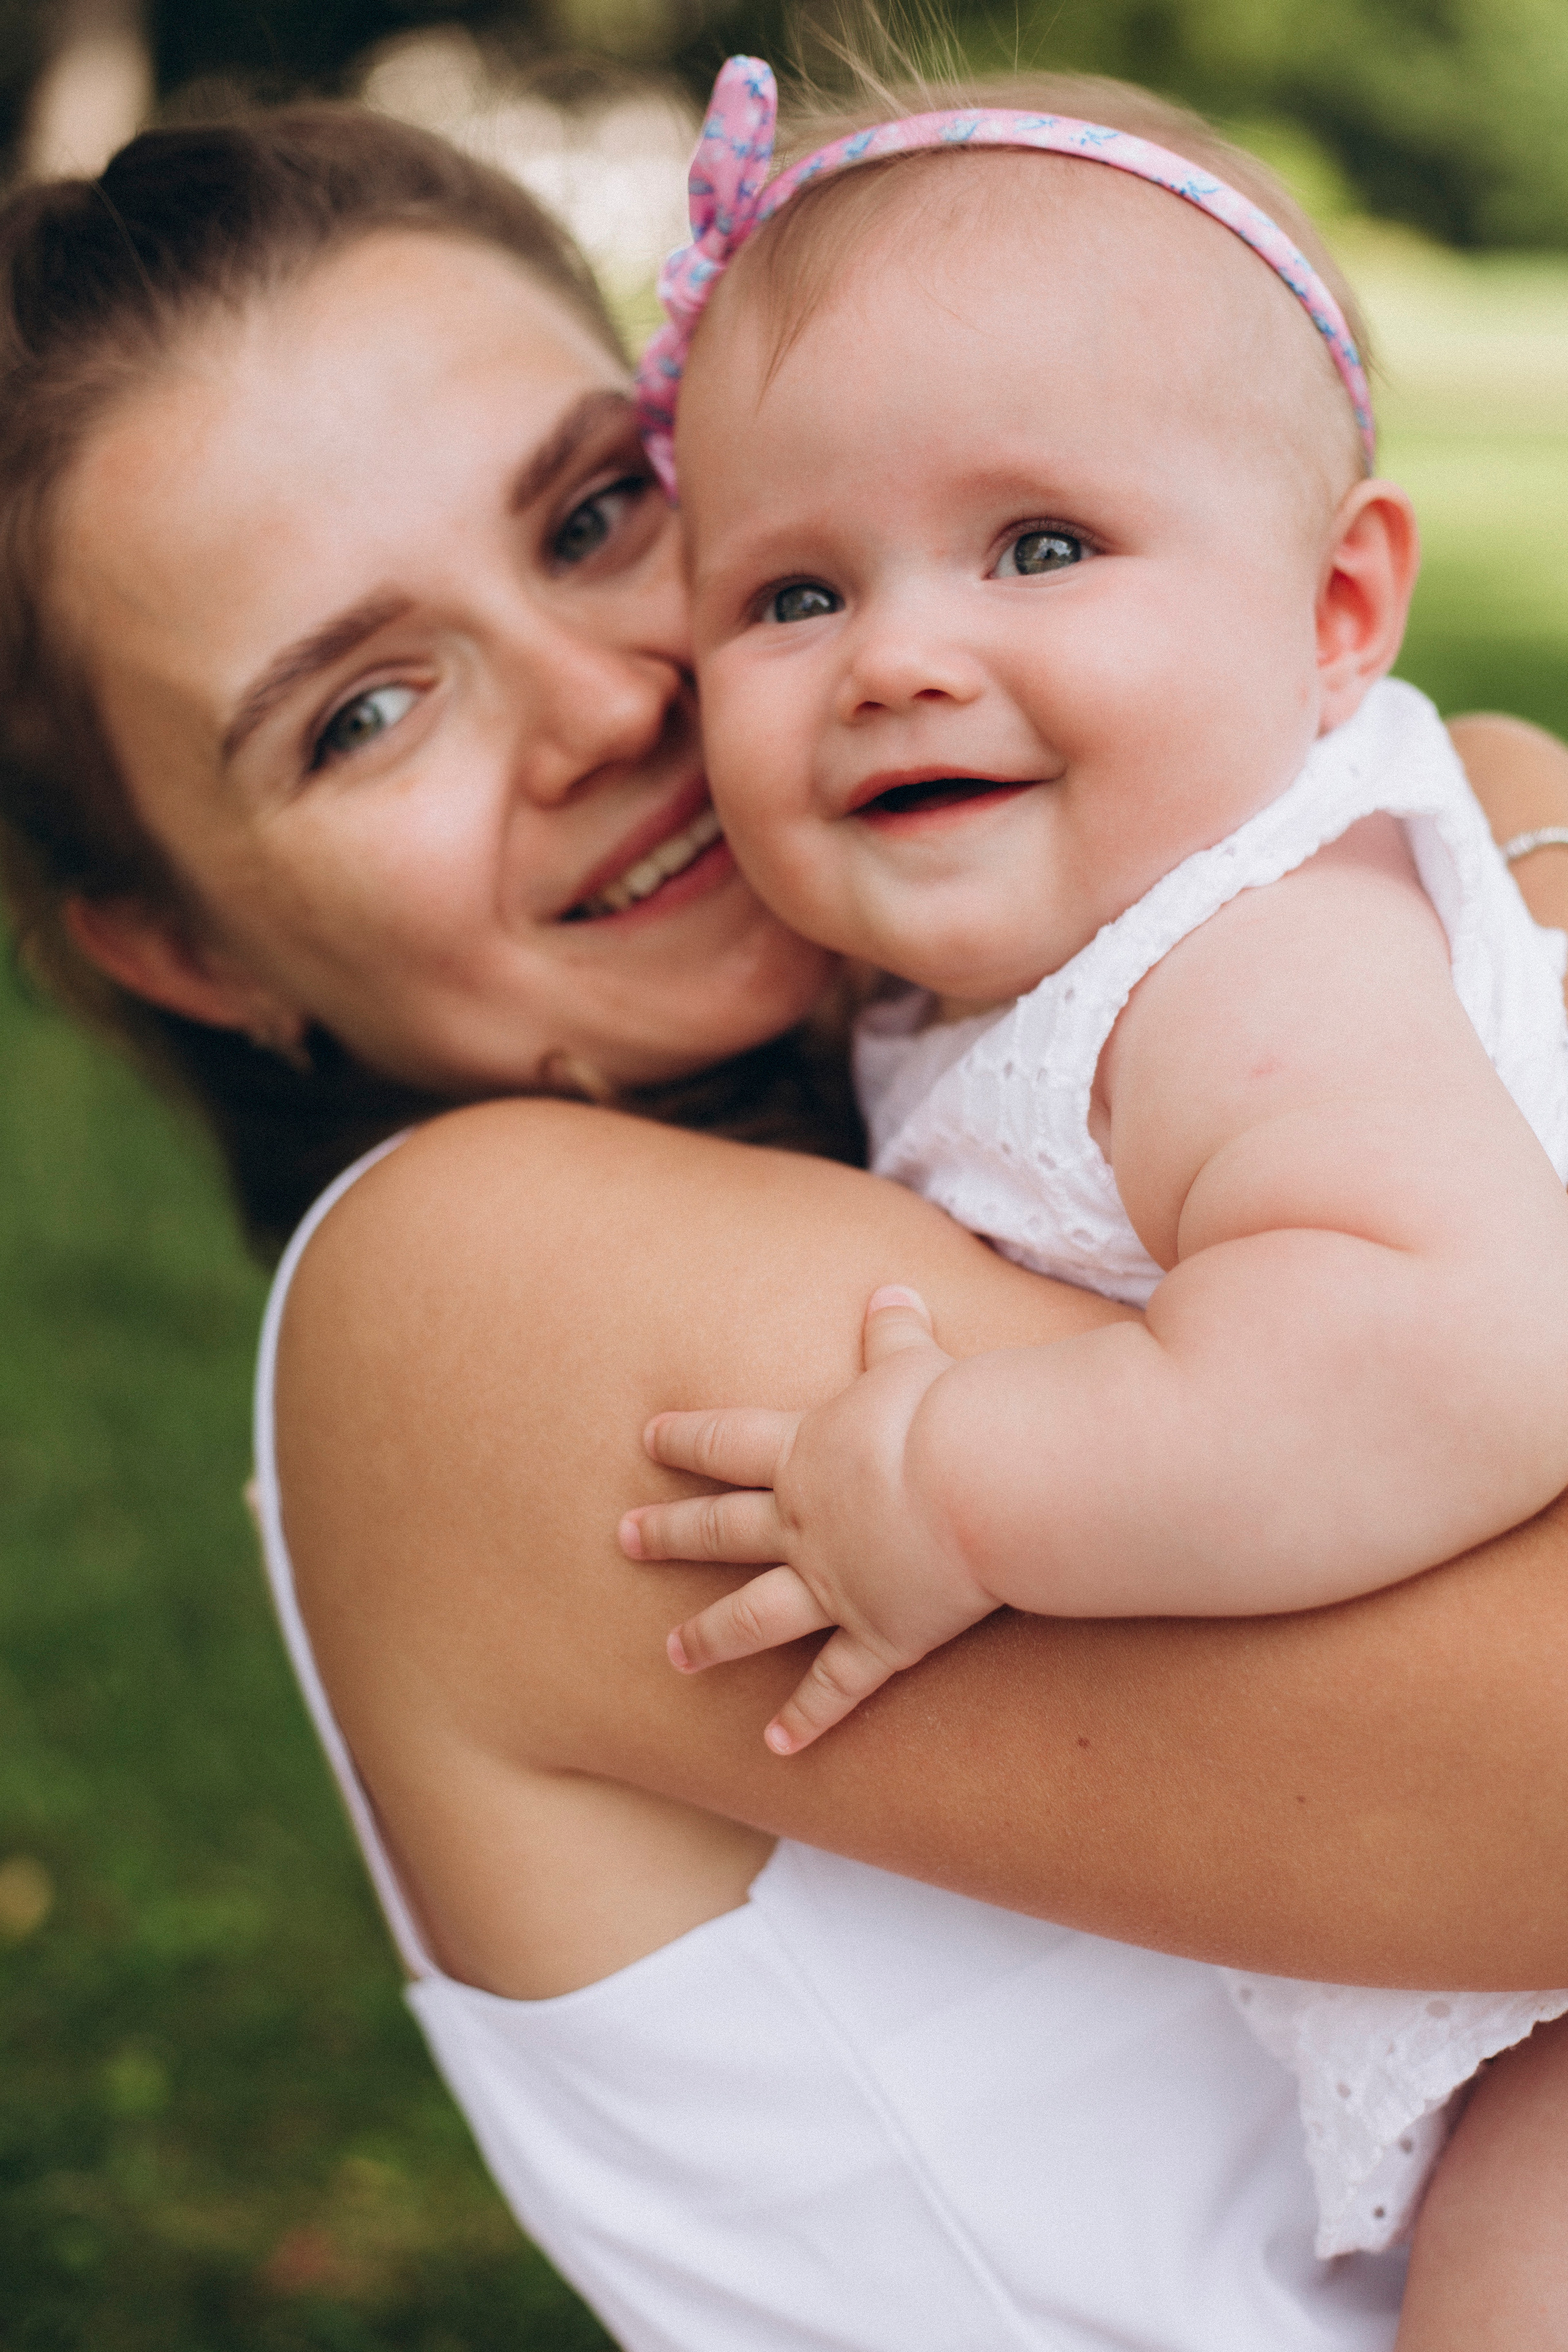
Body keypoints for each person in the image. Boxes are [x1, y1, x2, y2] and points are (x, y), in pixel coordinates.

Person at [3, 100, 1568, 2352]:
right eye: (361, 713)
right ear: (189, 951)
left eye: (599, 513)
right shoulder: (465, 1295)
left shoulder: (1040, 1046)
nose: (610, 703)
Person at [614, 62, 1568, 2326]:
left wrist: (961, 1486)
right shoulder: (1067, 957)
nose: (903, 654)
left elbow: (1465, 1348)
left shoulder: (1241, 959)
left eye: (1040, 545)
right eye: (792, 591)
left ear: (1338, 609)